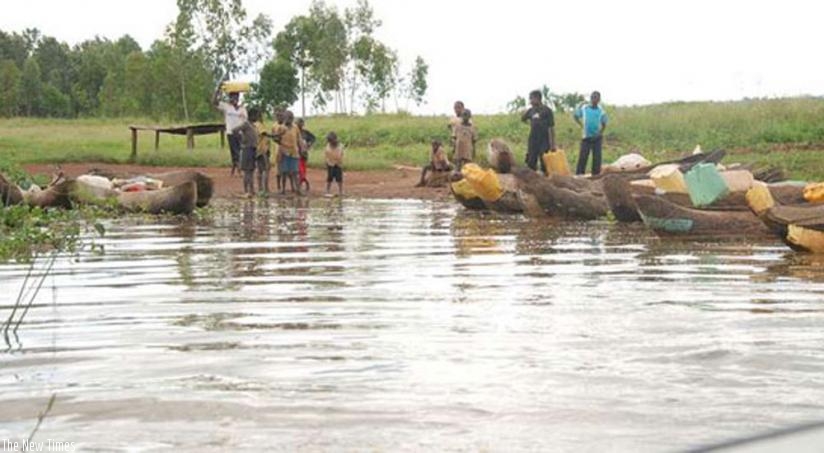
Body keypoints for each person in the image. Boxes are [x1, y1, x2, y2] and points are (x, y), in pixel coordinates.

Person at [212, 87, 248, 177]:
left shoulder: (243, 109)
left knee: (240, 151)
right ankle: (238, 169)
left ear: (238, 98)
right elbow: (214, 102)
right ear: (230, 98)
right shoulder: (226, 107)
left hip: (240, 133)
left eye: (236, 97)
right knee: (235, 151)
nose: (234, 99)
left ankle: (237, 168)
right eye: (232, 97)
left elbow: (246, 122)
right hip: (231, 133)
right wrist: (217, 91)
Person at [520, 90, 556, 174]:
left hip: (544, 139)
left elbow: (551, 127)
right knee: (531, 161)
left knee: (545, 162)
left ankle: (547, 181)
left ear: (537, 98)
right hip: (533, 139)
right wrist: (530, 123)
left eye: (531, 99)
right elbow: (523, 119)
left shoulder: (547, 110)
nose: (530, 101)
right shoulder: (531, 110)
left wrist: (552, 144)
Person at [574, 91, 608, 176]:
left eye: (596, 98)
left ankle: (595, 176)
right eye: (592, 97)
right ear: (590, 98)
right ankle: (579, 175)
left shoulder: (601, 111)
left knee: (597, 159)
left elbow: (604, 124)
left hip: (597, 138)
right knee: (583, 157)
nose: (594, 99)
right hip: (586, 137)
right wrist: (581, 125)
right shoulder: (584, 108)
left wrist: (600, 133)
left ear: (599, 99)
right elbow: (576, 116)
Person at [272, 110, 301, 195]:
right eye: (289, 118)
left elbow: (299, 138)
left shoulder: (295, 127)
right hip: (284, 152)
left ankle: (297, 189)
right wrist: (280, 142)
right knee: (284, 172)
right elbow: (275, 138)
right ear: (285, 118)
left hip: (294, 152)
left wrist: (302, 148)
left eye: (292, 118)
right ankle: (283, 189)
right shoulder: (280, 128)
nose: (290, 120)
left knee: (295, 172)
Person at [236, 114, 259, 197]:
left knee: (251, 171)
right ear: (251, 116)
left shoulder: (253, 125)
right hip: (247, 149)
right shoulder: (246, 124)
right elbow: (235, 130)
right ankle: (246, 190)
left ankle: (251, 190)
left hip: (253, 149)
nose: (257, 117)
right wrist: (242, 140)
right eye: (256, 116)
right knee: (247, 171)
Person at [251, 108, 271, 195]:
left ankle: (260, 188)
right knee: (265, 169)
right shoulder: (259, 125)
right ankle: (265, 188)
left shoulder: (253, 125)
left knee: (260, 169)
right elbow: (264, 134)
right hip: (262, 150)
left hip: (258, 149)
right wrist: (276, 136)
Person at [296, 118, 316, 188]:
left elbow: (313, 138)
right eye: (298, 123)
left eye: (301, 123)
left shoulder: (305, 133)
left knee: (303, 168)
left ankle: (301, 181)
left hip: (303, 153)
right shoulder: (294, 132)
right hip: (296, 153)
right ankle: (301, 180)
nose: (299, 125)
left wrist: (309, 144)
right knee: (299, 168)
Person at [324, 132, 344, 196]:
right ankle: (327, 190)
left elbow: (341, 154)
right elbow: (326, 155)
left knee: (339, 179)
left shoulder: (340, 146)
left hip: (338, 164)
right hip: (330, 164)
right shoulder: (328, 146)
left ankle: (340, 191)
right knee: (329, 178)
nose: (331, 142)